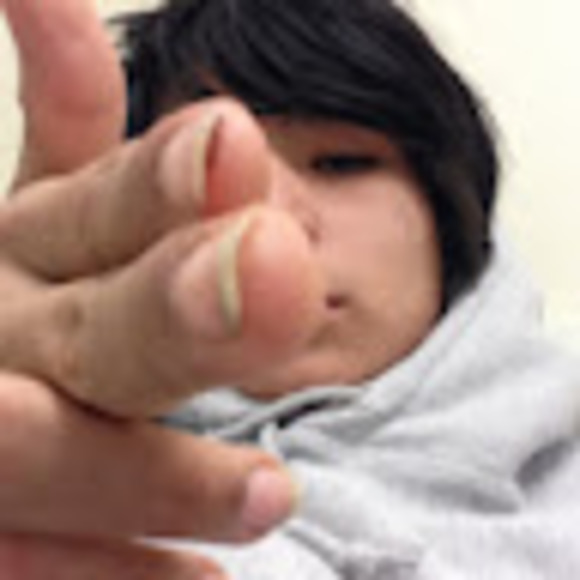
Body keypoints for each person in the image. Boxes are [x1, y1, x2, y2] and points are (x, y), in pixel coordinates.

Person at [0, 2, 578, 580]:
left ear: (447, 213)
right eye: (211, 170)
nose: (274, 216)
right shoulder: (52, 498)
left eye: (341, 163)